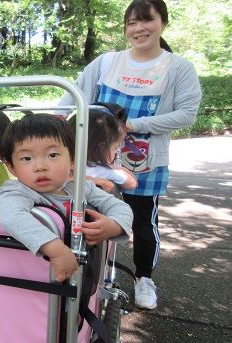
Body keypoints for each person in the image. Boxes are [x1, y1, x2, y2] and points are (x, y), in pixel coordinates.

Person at [57, 0, 202, 309]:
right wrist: (50, 125)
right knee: (86, 212)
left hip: (144, 161)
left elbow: (187, 114)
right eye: (132, 23)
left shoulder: (178, 68)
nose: (139, 29)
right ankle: (90, 271)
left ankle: (144, 277)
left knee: (142, 221)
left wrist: (133, 125)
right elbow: (72, 98)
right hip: (94, 159)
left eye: (146, 20)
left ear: (162, 22)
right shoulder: (107, 62)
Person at [0, 113, 133, 282]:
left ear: (73, 160)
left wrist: (115, 225)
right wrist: (56, 250)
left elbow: (120, 206)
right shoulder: (16, 191)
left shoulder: (81, 187)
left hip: (81, 274)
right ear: (12, 167)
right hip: (37, 280)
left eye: (52, 155)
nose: (40, 166)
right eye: (26, 158)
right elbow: (12, 217)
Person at [67, 104, 137, 193]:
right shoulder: (99, 169)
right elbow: (132, 183)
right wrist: (116, 168)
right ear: (102, 148)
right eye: (115, 148)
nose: (116, 152)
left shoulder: (60, 162)